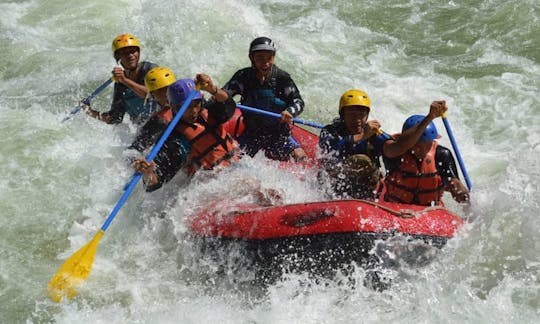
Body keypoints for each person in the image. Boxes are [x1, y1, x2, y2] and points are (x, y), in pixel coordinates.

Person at [131, 75, 239, 192]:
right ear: (174, 107)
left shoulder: (211, 112)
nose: (193, 111)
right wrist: (148, 173)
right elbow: (154, 183)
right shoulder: (175, 139)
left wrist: (211, 89)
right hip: (209, 184)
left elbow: (229, 104)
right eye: (186, 106)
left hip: (236, 165)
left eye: (196, 104)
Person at [222, 36, 308, 161]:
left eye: (269, 58)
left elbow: (298, 102)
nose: (266, 63)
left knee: (301, 158)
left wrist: (290, 111)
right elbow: (224, 95)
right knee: (231, 160)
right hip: (251, 134)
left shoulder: (282, 78)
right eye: (260, 58)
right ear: (252, 58)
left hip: (279, 135)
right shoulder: (243, 76)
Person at [378, 101, 470, 206]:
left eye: (426, 145)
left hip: (428, 210)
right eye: (416, 145)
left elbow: (453, 181)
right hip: (394, 206)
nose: (420, 150)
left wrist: (459, 191)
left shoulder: (441, 154)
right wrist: (430, 116)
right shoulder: (395, 152)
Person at [318, 89, 393, 199]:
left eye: (361, 114)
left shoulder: (372, 132)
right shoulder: (330, 131)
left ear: (367, 116)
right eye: (352, 114)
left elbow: (393, 148)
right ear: (343, 115)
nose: (357, 119)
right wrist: (363, 136)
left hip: (364, 189)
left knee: (366, 161)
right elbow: (332, 147)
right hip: (333, 188)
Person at [84, 33, 158, 125]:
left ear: (138, 53)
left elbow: (152, 94)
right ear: (118, 57)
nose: (130, 55)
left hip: (162, 122)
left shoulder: (151, 70)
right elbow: (114, 118)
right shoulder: (120, 84)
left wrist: (125, 80)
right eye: (125, 53)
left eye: (133, 51)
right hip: (143, 130)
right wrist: (89, 111)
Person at [128, 66, 176, 152]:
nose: (166, 93)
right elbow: (133, 151)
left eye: (168, 88)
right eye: (160, 90)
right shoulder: (157, 122)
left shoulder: (193, 103)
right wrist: (139, 163)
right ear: (153, 95)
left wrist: (209, 87)